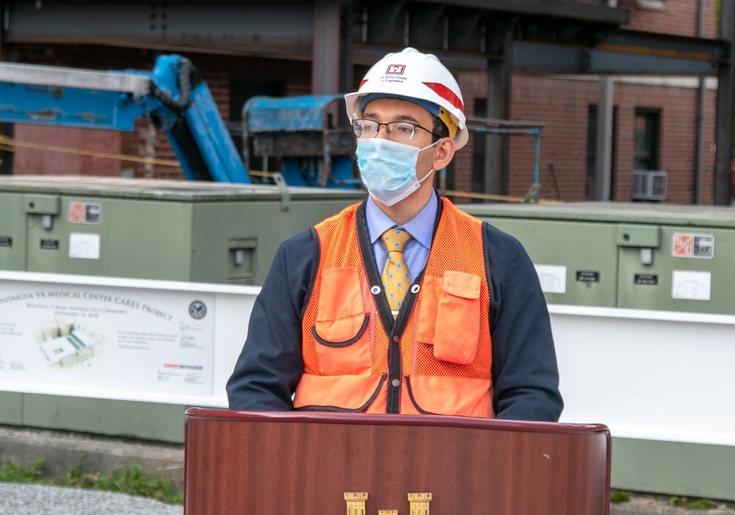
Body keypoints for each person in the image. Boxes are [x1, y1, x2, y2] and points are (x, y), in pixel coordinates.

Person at [226, 47, 562, 421]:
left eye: (404, 128)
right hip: (331, 475)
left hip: (453, 476)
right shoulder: (306, 255)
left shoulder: (498, 259)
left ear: (442, 152)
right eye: (369, 125)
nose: (380, 141)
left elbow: (532, 395)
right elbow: (256, 389)